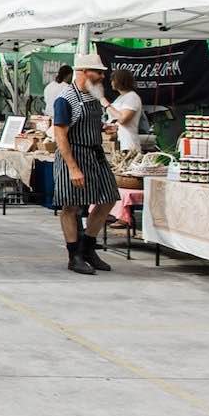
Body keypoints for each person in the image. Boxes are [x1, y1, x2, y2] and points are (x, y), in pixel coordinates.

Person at [51, 54, 117, 277]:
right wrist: (72, 167)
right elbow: (60, 135)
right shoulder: (66, 99)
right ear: (83, 72)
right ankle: (74, 256)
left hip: (94, 153)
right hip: (74, 154)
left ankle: (88, 248)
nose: (102, 76)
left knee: (108, 199)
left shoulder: (93, 96)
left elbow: (88, 121)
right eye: (98, 72)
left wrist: (102, 128)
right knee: (70, 206)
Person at [106, 68, 144, 154]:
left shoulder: (132, 97)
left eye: (113, 80)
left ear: (119, 81)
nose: (111, 82)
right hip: (117, 142)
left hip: (128, 144)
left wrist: (106, 105)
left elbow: (123, 119)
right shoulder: (120, 98)